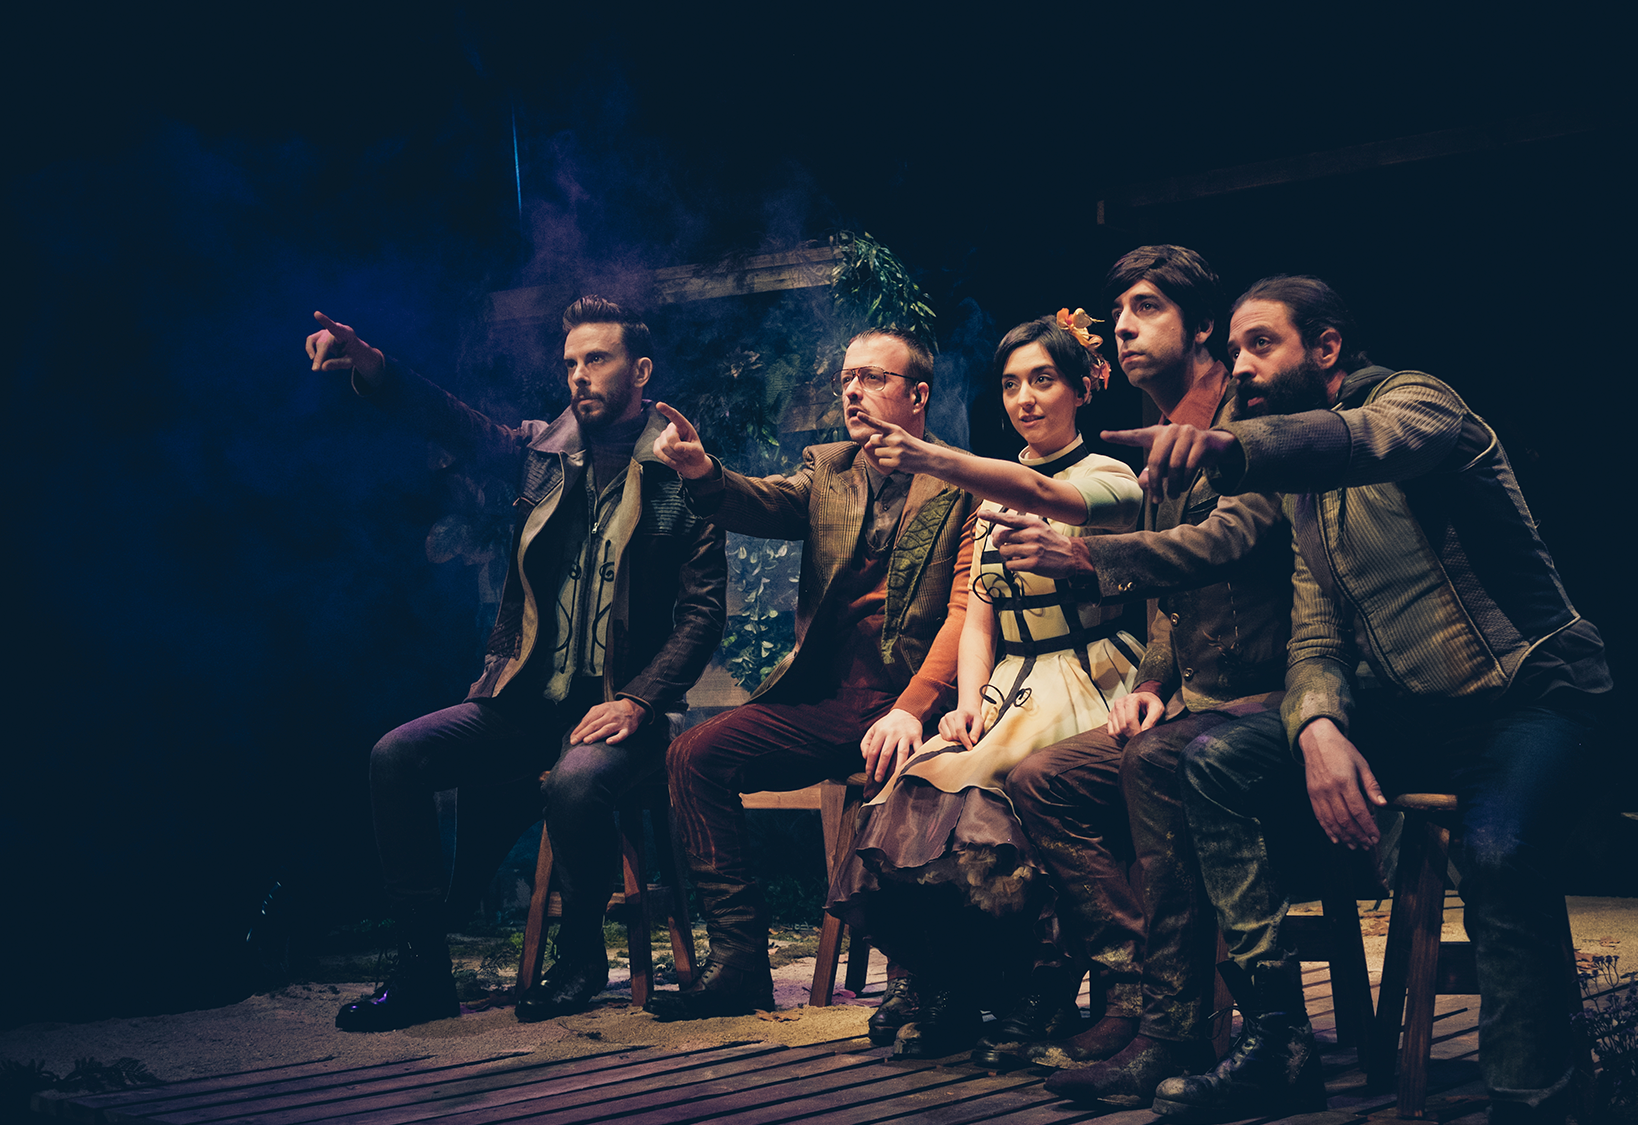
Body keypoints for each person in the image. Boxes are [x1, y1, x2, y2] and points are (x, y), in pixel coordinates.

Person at [1123, 275, 1609, 1125]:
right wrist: (1316, 726)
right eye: (1234, 350)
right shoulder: (1305, 499)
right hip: (1414, 718)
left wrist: (1230, 445)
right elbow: (1316, 640)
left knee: (1498, 853)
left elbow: (1369, 440)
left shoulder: (1422, 403)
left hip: (1532, 699)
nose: (1240, 367)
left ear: (1328, 348)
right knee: (1216, 761)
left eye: (1261, 344)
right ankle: (1277, 1038)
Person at [304, 298, 725, 1031]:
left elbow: (702, 614)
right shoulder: (540, 452)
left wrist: (640, 700)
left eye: (596, 359)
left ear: (640, 371)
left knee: (576, 779)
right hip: (528, 703)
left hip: (625, 716)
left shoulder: (681, 469)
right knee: (395, 756)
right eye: (570, 363)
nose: (579, 375)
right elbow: (453, 423)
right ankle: (423, 972)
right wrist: (374, 367)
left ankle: (581, 956)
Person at [974, 246, 1297, 1104]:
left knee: (1154, 762)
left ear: (1203, 327)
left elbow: (1228, 541)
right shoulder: (1157, 429)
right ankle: (1133, 992)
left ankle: (1177, 1026)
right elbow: (1170, 611)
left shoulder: (1247, 419)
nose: (1122, 327)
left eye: (1147, 308)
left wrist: (1087, 560)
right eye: (1117, 312)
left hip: (1272, 693)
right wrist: (1152, 681)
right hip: (1196, 697)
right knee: (1043, 778)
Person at [823, 310, 1145, 1059]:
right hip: (1009, 679)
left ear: (1083, 389)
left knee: (1001, 794)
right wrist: (966, 706)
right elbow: (977, 617)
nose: (1025, 399)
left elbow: (1047, 494)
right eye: (1010, 384)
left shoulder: (1109, 478)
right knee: (919, 779)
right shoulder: (989, 498)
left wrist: (935, 459)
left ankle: (1040, 984)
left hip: (1086, 671)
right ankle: (944, 979)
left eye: (1043, 380)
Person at [649, 327, 980, 1020]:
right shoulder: (830, 468)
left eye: (873, 378)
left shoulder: (963, 481)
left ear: (918, 395)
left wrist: (915, 707)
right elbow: (762, 501)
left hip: (917, 703)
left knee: (910, 775)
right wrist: (702, 473)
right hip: (830, 701)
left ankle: (916, 980)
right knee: (693, 755)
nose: (853, 391)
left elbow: (962, 613)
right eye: (847, 378)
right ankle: (740, 964)